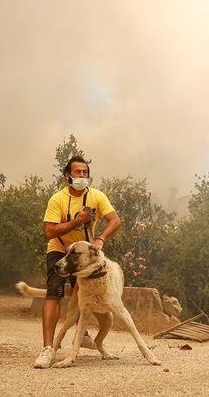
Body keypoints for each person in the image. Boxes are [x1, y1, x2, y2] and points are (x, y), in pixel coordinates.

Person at [33, 155, 122, 368]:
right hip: (60, 249)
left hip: (84, 256)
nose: (82, 176)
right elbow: (49, 231)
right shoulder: (58, 199)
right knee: (54, 293)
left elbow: (115, 220)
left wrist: (100, 238)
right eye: (77, 172)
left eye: (85, 172)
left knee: (87, 297)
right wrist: (78, 221)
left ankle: (83, 335)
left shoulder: (97, 196)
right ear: (67, 175)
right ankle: (48, 349)